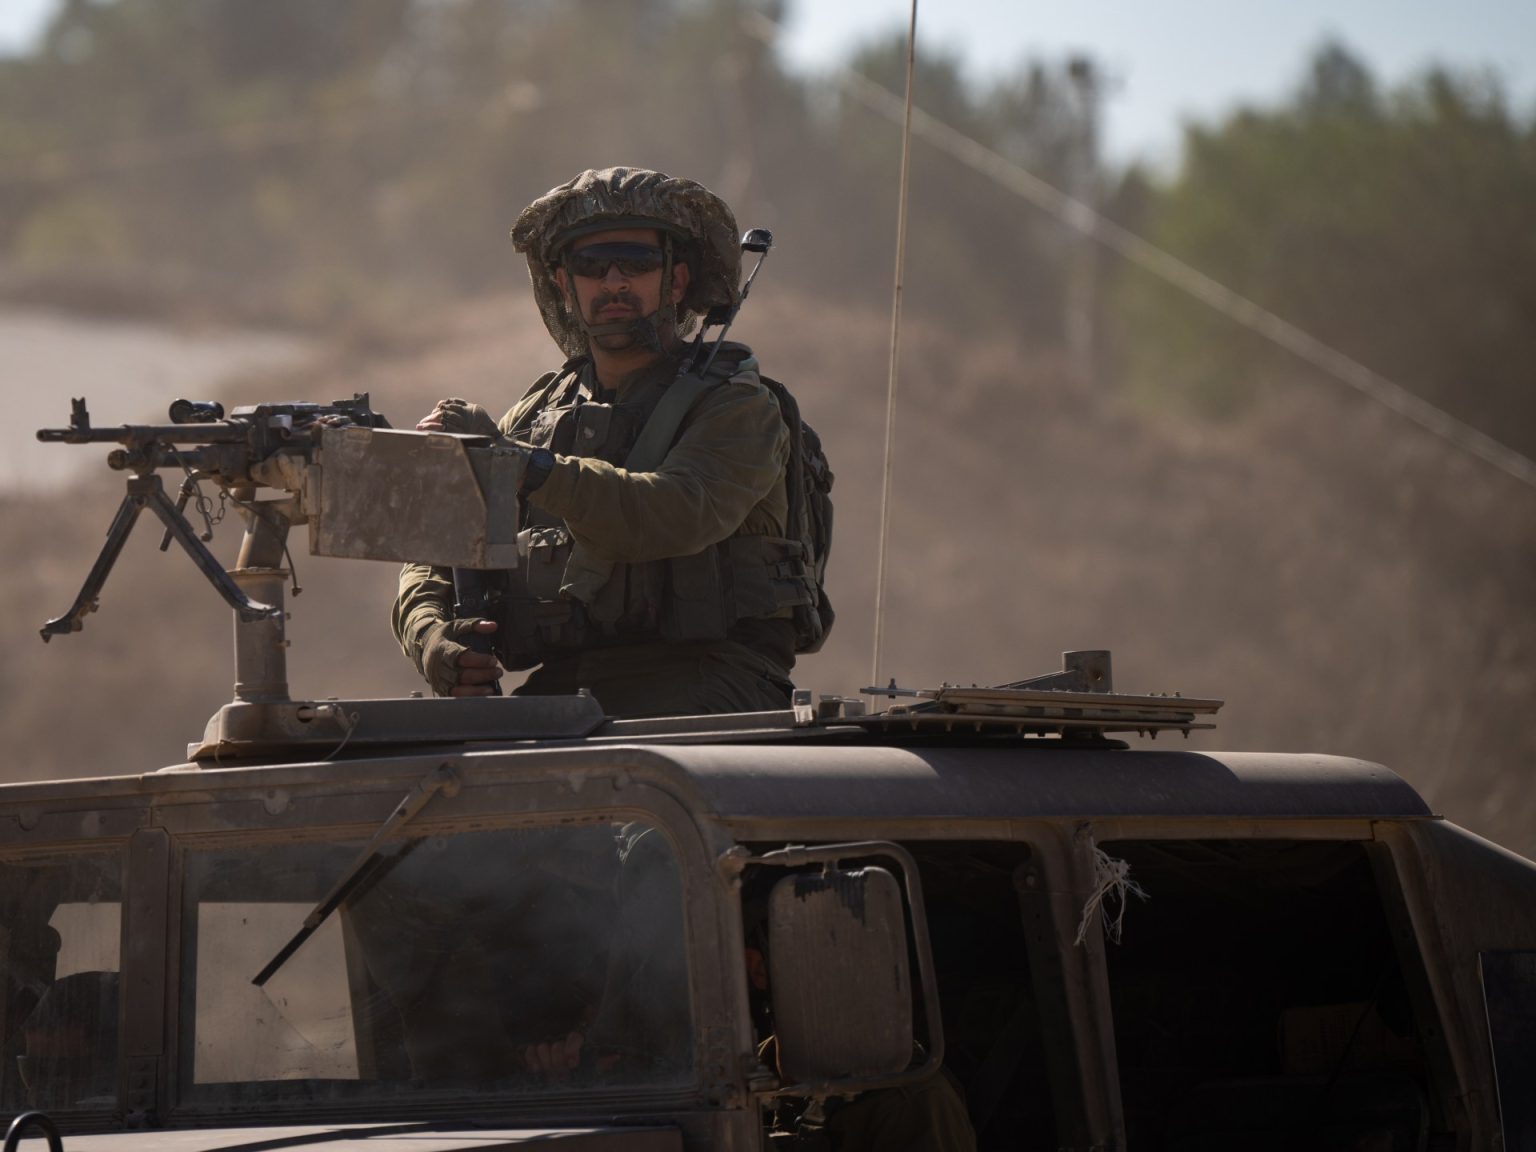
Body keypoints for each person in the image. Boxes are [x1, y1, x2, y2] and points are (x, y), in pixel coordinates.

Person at [393, 167, 816, 717]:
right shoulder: (536, 416)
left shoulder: (735, 406)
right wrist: (431, 638)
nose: (613, 281)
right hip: (562, 691)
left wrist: (527, 468)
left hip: (711, 683)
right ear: (565, 286)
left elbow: (676, 511)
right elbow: (435, 550)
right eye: (591, 265)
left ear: (677, 281)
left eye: (636, 263)